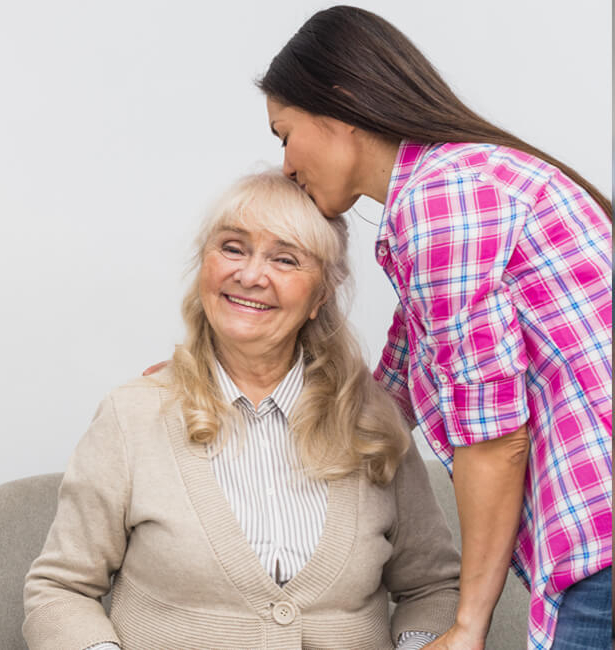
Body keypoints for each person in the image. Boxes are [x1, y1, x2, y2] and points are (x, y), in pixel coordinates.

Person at [255, 6, 613, 650]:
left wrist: (468, 625)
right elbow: (387, 394)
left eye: (284, 134)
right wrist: (213, 372)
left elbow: (495, 436)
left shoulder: (441, 199)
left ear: (337, 102)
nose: (285, 164)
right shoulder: (458, 185)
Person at [24, 170, 461, 649]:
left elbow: (431, 587)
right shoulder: (132, 416)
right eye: (233, 248)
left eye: (285, 258)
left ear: (320, 296)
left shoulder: (372, 422)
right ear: (204, 267)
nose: (251, 275)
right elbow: (60, 590)